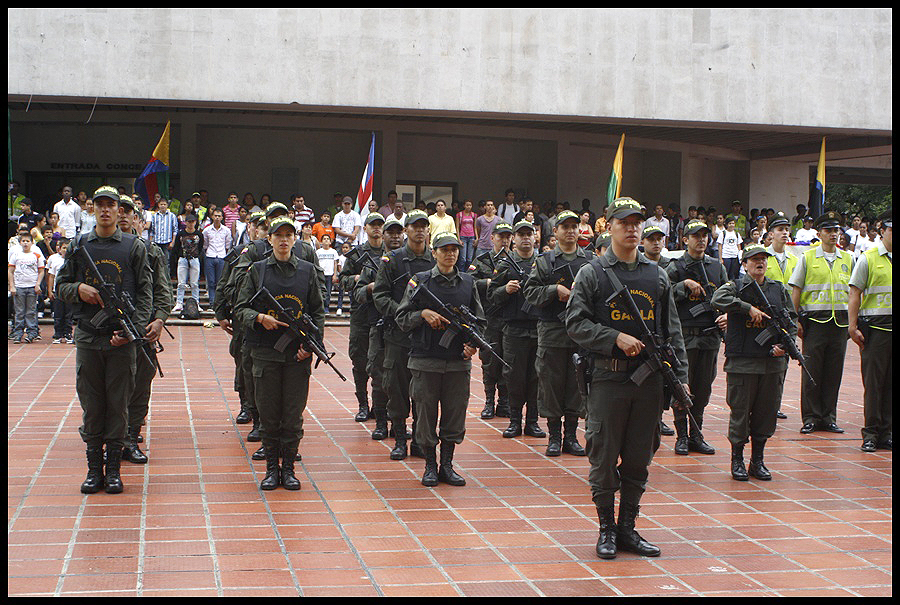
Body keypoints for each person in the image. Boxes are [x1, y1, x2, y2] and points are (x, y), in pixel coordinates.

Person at [566, 197, 688, 560]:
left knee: (639, 457)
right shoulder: (593, 273)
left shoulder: (657, 275)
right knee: (603, 457)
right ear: (609, 227)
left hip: (648, 382)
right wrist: (613, 337)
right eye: (624, 223)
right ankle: (606, 528)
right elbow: (575, 323)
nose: (632, 229)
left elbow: (673, 331)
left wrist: (680, 377)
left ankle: (627, 528)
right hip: (609, 378)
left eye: (637, 222)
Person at [55, 185, 154, 494]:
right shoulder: (79, 245)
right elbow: (60, 286)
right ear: (92, 209)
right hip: (89, 336)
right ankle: (93, 469)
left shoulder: (133, 247)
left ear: (119, 210)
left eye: (111, 205)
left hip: (121, 340)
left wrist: (132, 331)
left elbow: (146, 293)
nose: (106, 210)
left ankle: (113, 470)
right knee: (92, 404)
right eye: (100, 205)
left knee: (119, 405)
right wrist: (79, 290)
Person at [233, 216, 325, 490]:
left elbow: (318, 312)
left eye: (288, 235)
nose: (283, 240)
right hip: (265, 354)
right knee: (269, 415)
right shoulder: (257, 271)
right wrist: (260, 318)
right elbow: (240, 308)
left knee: (293, 416)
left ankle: (289, 469)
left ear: (295, 239)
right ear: (270, 239)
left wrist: (310, 346)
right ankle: (272, 469)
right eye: (278, 235)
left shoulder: (307, 271)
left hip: (296, 357)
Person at [395, 232, 483, 486]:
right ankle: (430, 465)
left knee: (455, 414)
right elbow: (401, 318)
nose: (450, 254)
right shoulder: (419, 281)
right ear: (434, 253)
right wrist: (423, 314)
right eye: (444, 249)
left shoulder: (468, 283)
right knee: (425, 415)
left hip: (457, 362)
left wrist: (472, 345)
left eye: (454, 249)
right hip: (426, 360)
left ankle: (447, 464)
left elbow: (480, 321)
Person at [711, 244, 797, 482]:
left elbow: (791, 319)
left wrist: (785, 346)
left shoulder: (778, 289)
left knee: (766, 413)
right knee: (740, 413)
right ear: (744, 264)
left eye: (763, 259)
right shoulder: (736, 287)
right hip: (743, 363)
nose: (760, 263)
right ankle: (737, 459)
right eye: (754, 259)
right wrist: (747, 308)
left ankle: (757, 460)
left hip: (772, 364)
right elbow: (717, 299)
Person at [523, 210, 590, 456]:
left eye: (574, 227)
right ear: (556, 231)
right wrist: (554, 290)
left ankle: (571, 436)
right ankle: (554, 436)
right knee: (550, 383)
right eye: (565, 227)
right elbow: (530, 293)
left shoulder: (589, 261)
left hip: (580, 332)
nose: (570, 231)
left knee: (576, 383)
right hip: (552, 331)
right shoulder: (544, 262)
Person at [372, 210, 435, 461]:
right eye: (414, 226)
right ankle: (400, 440)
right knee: (396, 389)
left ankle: (419, 441)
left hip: (426, 337)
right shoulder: (392, 260)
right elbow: (380, 296)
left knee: (424, 392)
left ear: (428, 230)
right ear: (406, 230)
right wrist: (404, 313)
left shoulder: (435, 259)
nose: (419, 230)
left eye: (423, 226)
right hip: (397, 336)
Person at [666, 219, 728, 456]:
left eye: (704, 236)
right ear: (685, 240)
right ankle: (682, 435)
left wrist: (726, 315)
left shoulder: (716, 267)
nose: (701, 240)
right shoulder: (676, 267)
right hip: (684, 337)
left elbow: (727, 295)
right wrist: (684, 285)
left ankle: (696, 434)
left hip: (709, 337)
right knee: (682, 386)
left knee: (702, 389)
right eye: (696, 236)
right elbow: (663, 294)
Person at [789, 211, 854, 435]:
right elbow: (796, 290)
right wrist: (795, 320)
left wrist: (853, 322)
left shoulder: (848, 259)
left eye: (836, 230)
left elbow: (855, 293)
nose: (833, 234)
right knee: (812, 371)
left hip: (840, 323)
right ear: (819, 233)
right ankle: (811, 417)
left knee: (834, 372)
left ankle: (829, 417)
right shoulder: (807, 258)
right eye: (828, 230)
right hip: (815, 322)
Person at [120, 194, 173, 465]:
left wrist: (160, 318)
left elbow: (163, 290)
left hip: (142, 329)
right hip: (109, 330)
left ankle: (130, 437)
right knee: (110, 386)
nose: (121, 215)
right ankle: (113, 437)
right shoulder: (94, 249)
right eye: (117, 210)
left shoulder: (150, 251)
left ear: (137, 219)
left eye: (127, 211)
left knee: (140, 383)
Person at [488, 220, 546, 440]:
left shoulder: (543, 263)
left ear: (535, 237)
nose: (525, 238)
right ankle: (514, 421)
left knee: (536, 377)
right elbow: (491, 296)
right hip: (514, 329)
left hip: (538, 327)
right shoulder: (505, 265)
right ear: (514, 238)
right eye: (521, 234)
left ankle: (532, 421)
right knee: (514, 377)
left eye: (529, 234)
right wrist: (506, 289)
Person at [847, 210, 891, 452]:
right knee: (874, 384)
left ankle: (888, 432)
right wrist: (852, 326)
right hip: (876, 329)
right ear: (882, 231)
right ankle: (871, 433)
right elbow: (855, 293)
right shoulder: (869, 258)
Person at [338, 213, 386, 422]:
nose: (376, 228)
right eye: (372, 225)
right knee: (359, 360)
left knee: (380, 363)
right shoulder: (357, 254)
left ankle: (378, 405)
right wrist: (358, 279)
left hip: (382, 313)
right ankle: (363, 404)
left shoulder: (390, 253)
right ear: (365, 228)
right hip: (361, 312)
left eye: (379, 225)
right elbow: (342, 280)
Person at [468, 222, 513, 420]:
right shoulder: (482, 260)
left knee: (508, 361)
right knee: (489, 360)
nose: (504, 241)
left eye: (508, 237)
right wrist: (486, 283)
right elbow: (468, 281)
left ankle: (504, 402)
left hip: (510, 317)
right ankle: (488, 401)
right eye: (501, 236)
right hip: (489, 318)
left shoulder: (515, 260)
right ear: (492, 238)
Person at [8, 231, 44, 344]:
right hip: (19, 287)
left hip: (32, 287)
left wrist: (37, 284)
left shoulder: (36, 255)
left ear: (32, 243)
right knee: (19, 311)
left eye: (27, 241)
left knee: (31, 311)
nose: (25, 243)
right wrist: (12, 286)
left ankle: (32, 332)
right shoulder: (15, 255)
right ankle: (18, 333)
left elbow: (41, 271)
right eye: (23, 241)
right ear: (20, 243)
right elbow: (10, 271)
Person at [172, 213, 204, 314]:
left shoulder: (199, 234)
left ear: (195, 222)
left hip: (194, 258)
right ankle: (179, 302)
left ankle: (196, 302)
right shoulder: (181, 234)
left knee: (194, 283)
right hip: (183, 258)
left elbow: (200, 247)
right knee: (181, 283)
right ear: (185, 223)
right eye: (189, 222)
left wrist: (196, 255)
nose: (190, 224)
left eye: (192, 222)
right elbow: (176, 247)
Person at [202, 208, 232, 309]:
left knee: (220, 282)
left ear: (222, 217)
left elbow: (227, 245)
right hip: (210, 256)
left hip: (221, 257)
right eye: (215, 216)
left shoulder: (226, 230)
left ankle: (218, 304)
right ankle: (212, 303)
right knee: (211, 282)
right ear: (212, 216)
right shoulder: (207, 230)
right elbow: (205, 244)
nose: (217, 218)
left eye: (219, 216)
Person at [46, 238, 74, 344]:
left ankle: (68, 334)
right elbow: (51, 276)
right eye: (64, 248)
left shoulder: (73, 260)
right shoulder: (55, 260)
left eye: (68, 248)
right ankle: (58, 334)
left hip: (69, 291)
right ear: (59, 249)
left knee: (68, 314)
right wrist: (50, 291)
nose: (66, 250)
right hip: (57, 291)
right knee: (58, 314)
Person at [316, 235, 340, 314]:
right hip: (320, 274)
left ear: (330, 242)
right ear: (321, 241)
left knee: (328, 292)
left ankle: (326, 307)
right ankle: (320, 307)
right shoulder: (318, 252)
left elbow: (335, 263)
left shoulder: (333, 252)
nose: (326, 240)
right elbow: (316, 264)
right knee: (320, 292)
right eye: (324, 239)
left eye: (327, 239)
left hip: (330, 274)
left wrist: (335, 274)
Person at [455, 199, 478, 270]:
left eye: (470, 205)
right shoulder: (459, 215)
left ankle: (469, 273)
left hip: (471, 237)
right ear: (464, 206)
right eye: (467, 205)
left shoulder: (474, 215)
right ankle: (461, 272)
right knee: (463, 258)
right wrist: (458, 239)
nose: (468, 207)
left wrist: (477, 238)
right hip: (463, 237)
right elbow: (457, 227)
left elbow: (475, 227)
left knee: (469, 259)